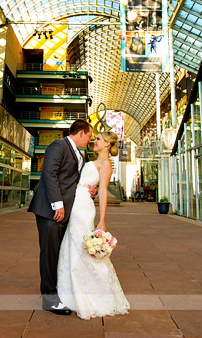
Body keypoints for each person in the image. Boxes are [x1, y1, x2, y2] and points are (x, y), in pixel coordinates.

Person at [56, 130, 130, 319]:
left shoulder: (105, 164)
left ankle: (93, 294)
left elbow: (103, 192)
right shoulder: (92, 161)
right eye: (94, 138)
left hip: (83, 209)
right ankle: (69, 292)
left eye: (98, 139)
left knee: (82, 247)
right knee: (71, 246)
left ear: (107, 144)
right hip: (76, 203)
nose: (94, 141)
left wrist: (102, 220)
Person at [28, 120, 95, 315]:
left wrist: (91, 190)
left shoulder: (79, 154)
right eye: (90, 136)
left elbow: (75, 181)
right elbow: (49, 174)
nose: (90, 140)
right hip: (50, 210)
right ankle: (49, 299)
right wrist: (57, 204)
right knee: (49, 254)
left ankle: (58, 291)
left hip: (65, 212)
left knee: (58, 254)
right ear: (81, 132)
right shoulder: (58, 145)